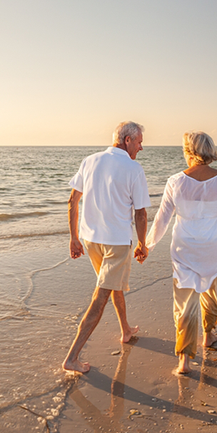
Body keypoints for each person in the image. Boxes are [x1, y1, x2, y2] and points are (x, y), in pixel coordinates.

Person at [145, 131, 217, 374]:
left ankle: (184, 360)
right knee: (212, 293)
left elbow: (161, 222)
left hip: (185, 249)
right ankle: (208, 335)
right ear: (209, 151)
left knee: (185, 304)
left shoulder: (175, 181)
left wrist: (146, 246)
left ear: (189, 151)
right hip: (215, 249)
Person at [62, 121, 151, 374]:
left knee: (113, 285)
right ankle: (72, 357)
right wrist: (143, 244)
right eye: (139, 141)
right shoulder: (134, 168)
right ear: (127, 141)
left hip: (90, 240)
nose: (141, 147)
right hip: (116, 243)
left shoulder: (89, 160)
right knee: (101, 296)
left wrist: (74, 238)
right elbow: (141, 213)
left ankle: (125, 330)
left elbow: (72, 201)